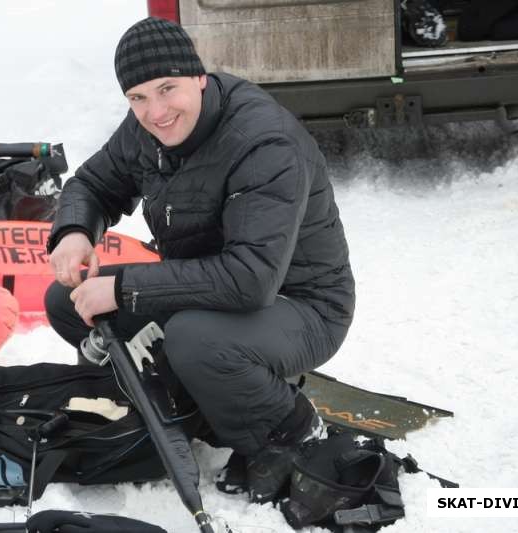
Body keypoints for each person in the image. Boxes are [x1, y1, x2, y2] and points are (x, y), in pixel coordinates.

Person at [44, 16, 355, 504]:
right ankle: (185, 401)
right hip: (207, 291)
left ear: (199, 78)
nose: (156, 111)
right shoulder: (148, 125)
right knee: (70, 301)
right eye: (138, 98)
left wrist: (125, 288)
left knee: (196, 339)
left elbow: (251, 279)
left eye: (167, 89)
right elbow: (92, 183)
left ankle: (289, 432)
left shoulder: (264, 142)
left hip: (301, 305)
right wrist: (75, 230)